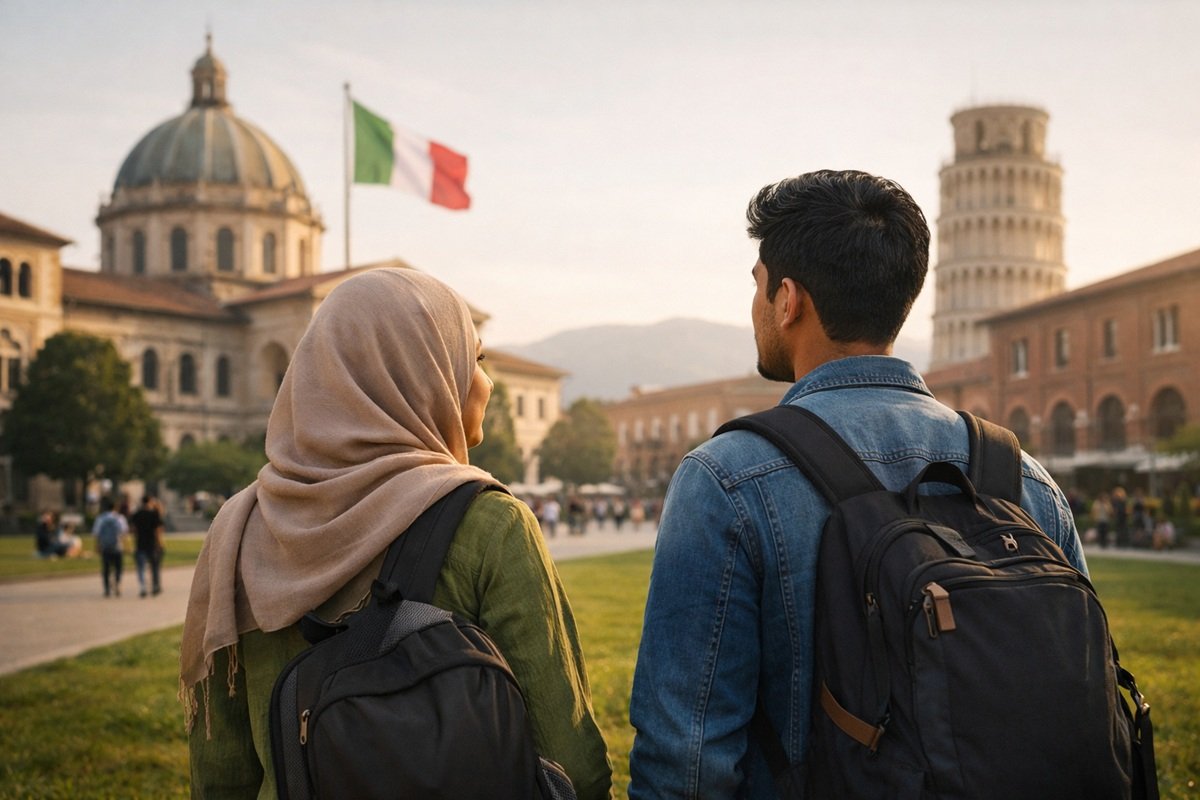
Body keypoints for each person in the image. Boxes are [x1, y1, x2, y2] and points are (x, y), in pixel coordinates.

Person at [627, 170, 1087, 798]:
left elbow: (686, 757)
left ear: (788, 300)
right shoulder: (1026, 482)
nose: (756, 307)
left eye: (758, 287)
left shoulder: (726, 478)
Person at [180, 269, 611, 799]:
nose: (488, 383)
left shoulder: (238, 531)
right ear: (420, 371)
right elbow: (571, 762)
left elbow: (220, 772)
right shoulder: (488, 523)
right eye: (473, 360)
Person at [92, 497, 129, 597]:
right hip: (117, 546)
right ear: (116, 508)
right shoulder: (120, 518)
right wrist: (125, 545)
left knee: (106, 568)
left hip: (105, 546)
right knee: (118, 567)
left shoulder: (100, 518)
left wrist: (97, 545)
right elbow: (124, 533)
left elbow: (96, 533)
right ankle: (117, 583)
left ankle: (107, 588)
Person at [130, 494, 165, 597]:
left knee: (141, 567)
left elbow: (133, 530)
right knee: (154, 566)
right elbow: (157, 531)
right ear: (150, 501)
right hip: (152, 543)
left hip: (140, 543)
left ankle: (143, 587)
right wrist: (160, 543)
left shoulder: (136, 514)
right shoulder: (154, 514)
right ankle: (154, 586)